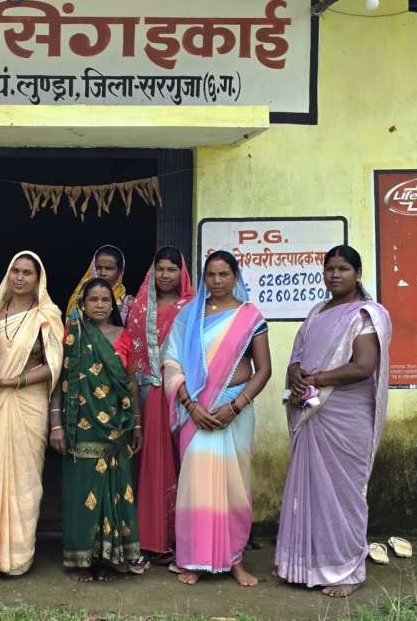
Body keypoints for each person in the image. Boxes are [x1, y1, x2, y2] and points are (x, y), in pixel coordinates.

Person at [274, 245, 391, 598]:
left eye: (343, 268)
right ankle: (306, 565)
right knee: (311, 492)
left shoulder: (365, 314)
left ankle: (349, 570)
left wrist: (316, 379)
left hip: (347, 416)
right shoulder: (317, 312)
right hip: (313, 412)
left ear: (358, 273)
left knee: (343, 493)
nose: (335, 274)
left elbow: (363, 366)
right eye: (330, 269)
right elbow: (297, 357)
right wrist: (296, 375)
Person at [163, 250, 271, 587]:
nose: (217, 281)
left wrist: (234, 407)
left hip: (235, 412)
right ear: (203, 278)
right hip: (196, 412)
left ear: (235, 276)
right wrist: (191, 406)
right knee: (197, 486)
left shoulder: (249, 316)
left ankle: (235, 560)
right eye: (211, 275)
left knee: (233, 486)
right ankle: (194, 559)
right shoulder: (189, 316)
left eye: (224, 274)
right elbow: (172, 363)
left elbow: (263, 370)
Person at [0, 251, 64, 576]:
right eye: (15, 271)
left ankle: (15, 558)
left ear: (38, 279)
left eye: (27, 273)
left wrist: (15, 381)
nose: (19, 277)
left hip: (27, 402)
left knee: (23, 477)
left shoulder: (46, 315)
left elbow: (54, 366)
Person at [50, 278, 143, 582]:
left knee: (113, 489)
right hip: (80, 427)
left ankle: (109, 559)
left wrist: (137, 424)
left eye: (106, 300)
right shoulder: (71, 336)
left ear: (113, 305)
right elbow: (58, 384)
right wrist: (56, 425)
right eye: (94, 300)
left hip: (116, 428)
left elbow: (131, 384)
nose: (100, 305)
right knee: (82, 491)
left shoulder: (124, 336)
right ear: (82, 304)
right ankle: (80, 560)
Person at [127, 246, 194, 562]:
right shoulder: (139, 308)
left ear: (182, 273)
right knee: (151, 463)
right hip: (148, 394)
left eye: (172, 269)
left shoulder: (192, 307)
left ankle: (183, 539)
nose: (165, 275)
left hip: (184, 393)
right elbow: (131, 354)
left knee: (185, 462)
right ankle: (151, 537)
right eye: (160, 269)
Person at [65, 245, 135, 325]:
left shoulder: (128, 304)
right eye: (98, 268)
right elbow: (71, 328)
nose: (103, 273)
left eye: (109, 268)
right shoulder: (80, 297)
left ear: (120, 271)